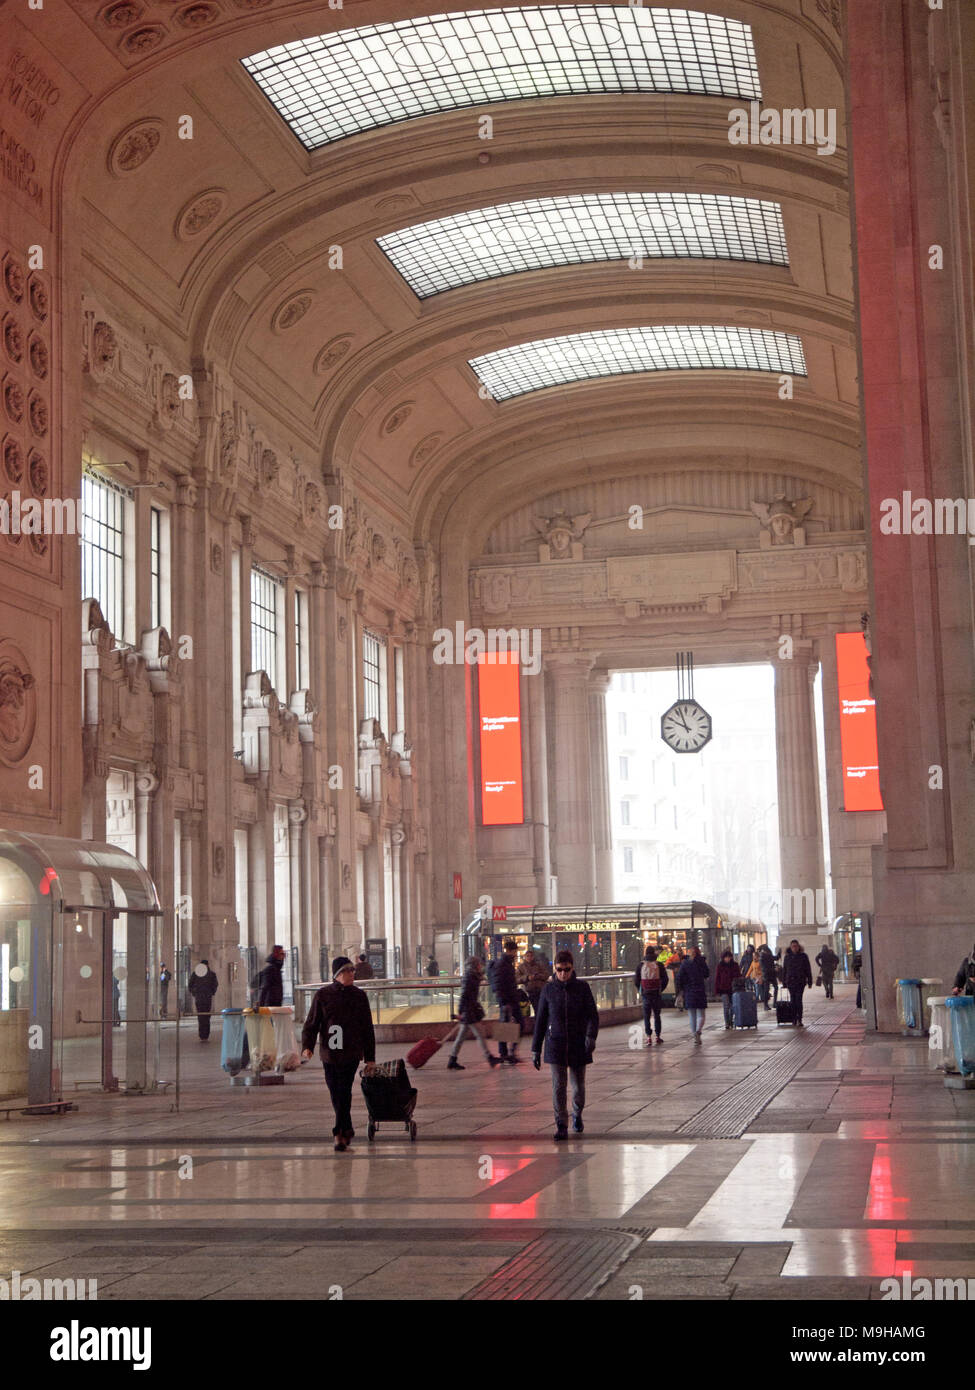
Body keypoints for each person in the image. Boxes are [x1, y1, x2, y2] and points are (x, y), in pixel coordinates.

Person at [301, 956, 376, 1152]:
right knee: (336, 1092)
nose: (352, 973)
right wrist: (307, 1045)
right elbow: (312, 1023)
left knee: (344, 1090)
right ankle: (347, 1129)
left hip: (350, 1053)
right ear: (337, 974)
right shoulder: (323, 995)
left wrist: (370, 1057)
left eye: (353, 970)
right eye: (348, 970)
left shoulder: (359, 996)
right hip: (329, 1054)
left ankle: (338, 1133)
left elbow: (367, 1028)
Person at [531, 949, 598, 1141]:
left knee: (578, 1087)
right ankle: (561, 1123)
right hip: (556, 1044)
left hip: (578, 1043)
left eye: (566, 969)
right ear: (555, 968)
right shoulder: (548, 990)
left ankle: (577, 1113)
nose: (563, 973)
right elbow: (541, 1020)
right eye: (559, 970)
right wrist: (536, 1048)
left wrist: (591, 1036)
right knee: (558, 1086)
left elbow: (592, 1015)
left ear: (572, 968)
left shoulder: (582, 988)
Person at [447, 958, 501, 1069]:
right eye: (478, 964)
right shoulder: (470, 977)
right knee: (480, 1034)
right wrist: (462, 1011)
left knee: (461, 1037)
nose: (480, 966)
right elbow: (465, 996)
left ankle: (452, 1059)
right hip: (469, 1011)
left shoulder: (472, 976)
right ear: (474, 965)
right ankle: (489, 1057)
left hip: (469, 1010)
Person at [492, 938, 523, 1064]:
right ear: (511, 950)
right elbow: (499, 984)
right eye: (515, 951)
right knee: (514, 1024)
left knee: (506, 1025)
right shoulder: (503, 964)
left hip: (509, 999)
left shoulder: (507, 963)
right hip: (507, 1000)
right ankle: (507, 1053)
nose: (515, 954)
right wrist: (504, 1001)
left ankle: (507, 1053)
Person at [633, 945, 668, 1046]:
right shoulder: (659, 965)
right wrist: (661, 989)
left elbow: (636, 980)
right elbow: (665, 979)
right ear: (654, 953)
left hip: (646, 994)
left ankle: (648, 1037)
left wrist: (641, 989)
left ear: (645, 953)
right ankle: (657, 1036)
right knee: (657, 1015)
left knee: (647, 1016)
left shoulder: (640, 965)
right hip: (656, 993)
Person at [677, 945, 710, 1045]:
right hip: (699, 990)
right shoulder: (701, 962)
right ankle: (698, 1031)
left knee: (692, 1015)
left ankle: (694, 1034)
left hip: (689, 991)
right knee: (701, 1014)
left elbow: (679, 978)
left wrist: (681, 990)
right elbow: (707, 974)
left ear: (688, 952)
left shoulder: (685, 964)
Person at [782, 939, 813, 1026]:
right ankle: (794, 1018)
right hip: (790, 981)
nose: (794, 948)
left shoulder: (803, 956)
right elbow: (784, 969)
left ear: (799, 947)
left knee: (798, 1000)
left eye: (796, 946)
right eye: (793, 946)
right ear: (790, 947)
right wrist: (784, 981)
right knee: (792, 1000)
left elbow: (808, 969)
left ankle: (799, 1018)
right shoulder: (787, 957)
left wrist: (810, 981)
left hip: (800, 981)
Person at [188, 960, 218, 1040]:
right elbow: (215, 985)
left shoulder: (195, 974)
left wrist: (194, 993)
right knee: (207, 1016)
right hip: (207, 998)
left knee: (200, 1016)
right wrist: (211, 992)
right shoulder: (212, 974)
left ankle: (202, 1034)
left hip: (199, 998)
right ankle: (206, 1034)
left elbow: (190, 985)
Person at [516, 948, 549, 1014]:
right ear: (525, 957)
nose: (529, 957)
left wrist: (537, 976)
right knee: (537, 1009)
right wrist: (527, 978)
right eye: (527, 956)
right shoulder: (521, 967)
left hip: (541, 990)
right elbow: (517, 979)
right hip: (531, 991)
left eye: (531, 956)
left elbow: (546, 974)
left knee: (542, 1009)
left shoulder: (539, 965)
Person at [714, 948, 741, 1029]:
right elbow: (717, 978)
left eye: (729, 957)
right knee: (726, 1006)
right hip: (723, 989)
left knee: (733, 1006)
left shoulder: (735, 965)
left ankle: (731, 1021)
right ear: (723, 958)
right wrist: (717, 989)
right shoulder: (720, 966)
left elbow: (738, 976)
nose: (727, 959)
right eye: (726, 957)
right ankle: (727, 1023)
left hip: (733, 989)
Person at [759, 944, 778, 1010]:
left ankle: (773, 1003)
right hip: (767, 975)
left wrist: (779, 952)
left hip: (770, 974)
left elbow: (776, 958)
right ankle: (766, 1004)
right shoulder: (762, 957)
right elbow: (763, 967)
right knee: (767, 990)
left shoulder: (767, 955)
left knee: (773, 988)